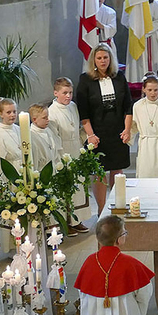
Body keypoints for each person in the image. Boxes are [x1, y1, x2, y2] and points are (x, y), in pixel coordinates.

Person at [77, 43, 134, 213]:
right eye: (99, 58)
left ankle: (117, 206)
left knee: (117, 169)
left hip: (118, 130)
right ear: (94, 60)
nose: (103, 61)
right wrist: (91, 135)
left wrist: (127, 130)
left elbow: (128, 106)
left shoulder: (119, 77)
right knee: (99, 171)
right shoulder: (85, 79)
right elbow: (83, 111)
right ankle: (102, 211)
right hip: (97, 132)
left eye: (105, 58)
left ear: (110, 59)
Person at [48, 78, 91, 235]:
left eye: (70, 93)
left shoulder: (73, 106)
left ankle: (77, 219)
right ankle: (66, 222)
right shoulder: (52, 111)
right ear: (56, 93)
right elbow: (54, 138)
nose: (68, 96)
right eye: (65, 93)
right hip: (63, 152)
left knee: (78, 187)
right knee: (66, 188)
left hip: (76, 149)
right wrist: (60, 159)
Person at [123, 0, 158, 85]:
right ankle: (136, 85)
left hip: (150, 37)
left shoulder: (154, 2)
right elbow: (124, 20)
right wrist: (136, 28)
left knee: (151, 61)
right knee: (136, 63)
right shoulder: (129, 3)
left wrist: (146, 31)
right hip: (135, 36)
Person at [0, 98, 22, 178]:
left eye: (14, 111)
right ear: (1, 114)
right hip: (9, 177)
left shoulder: (19, 129)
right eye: (8, 112)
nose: (12, 115)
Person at [29, 103, 61, 172]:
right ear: (34, 119)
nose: (48, 120)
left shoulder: (48, 131)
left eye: (47, 117)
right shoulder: (31, 136)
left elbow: (55, 152)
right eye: (44, 118)